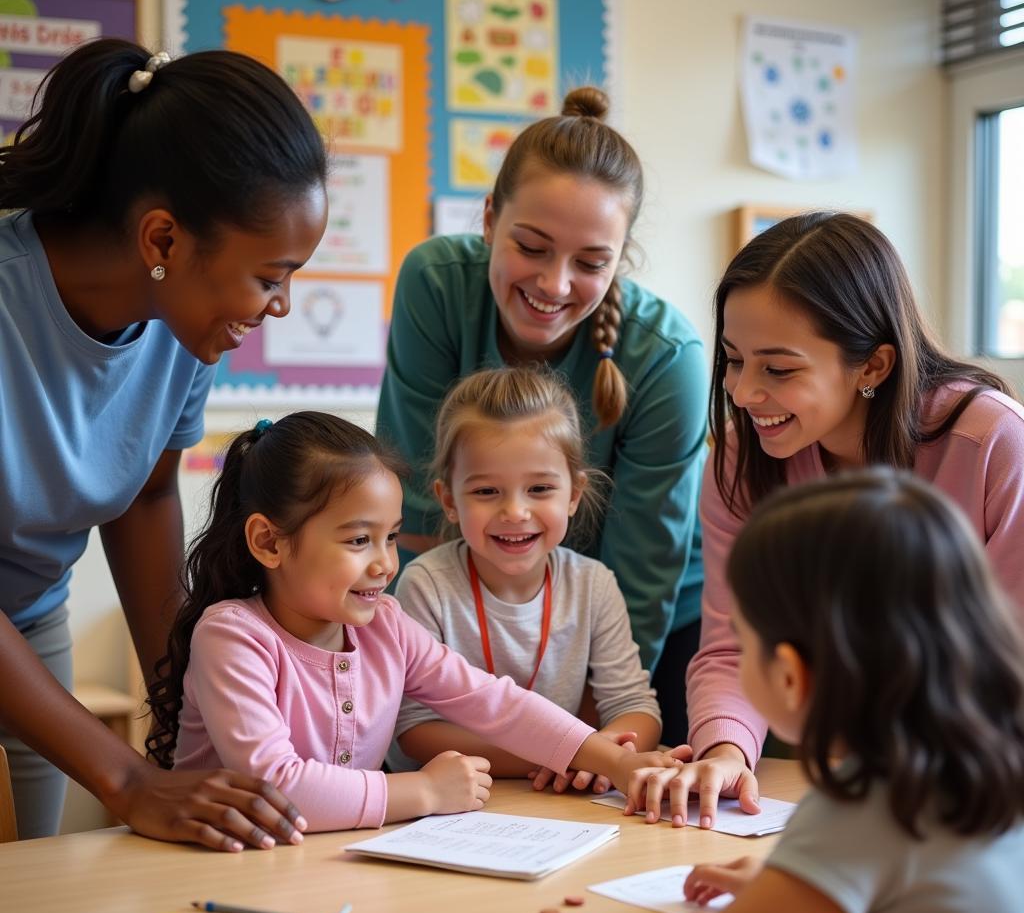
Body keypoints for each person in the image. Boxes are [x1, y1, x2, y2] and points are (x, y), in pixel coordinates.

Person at [0, 37, 330, 845]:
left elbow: (145, 494)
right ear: (161, 242)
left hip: (28, 632)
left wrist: (185, 711)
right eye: (270, 276)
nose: (279, 306)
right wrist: (127, 779)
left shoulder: (184, 326)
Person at [148, 412, 690, 832]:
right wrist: (423, 793)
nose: (385, 562)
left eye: (391, 536)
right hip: (216, 864)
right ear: (269, 541)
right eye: (359, 540)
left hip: (324, 854)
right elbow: (271, 783)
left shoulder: (383, 624)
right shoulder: (232, 637)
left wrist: (616, 764)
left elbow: (494, 701)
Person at [375, 87, 707, 747]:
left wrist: (582, 733)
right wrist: (435, 667)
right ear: (491, 217)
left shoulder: (669, 359)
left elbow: (643, 572)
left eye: (590, 263)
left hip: (627, 615)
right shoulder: (436, 284)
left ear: (621, 257)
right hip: (467, 593)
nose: (554, 285)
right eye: (531, 246)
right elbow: (417, 504)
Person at [675, 211, 1024, 826]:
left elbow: (1007, 661)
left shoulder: (992, 442)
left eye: (778, 369)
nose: (743, 393)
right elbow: (733, 643)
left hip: (975, 779)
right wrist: (726, 748)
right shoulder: (740, 458)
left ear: (873, 366)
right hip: (843, 768)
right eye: (733, 360)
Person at [659, 470, 1024, 913]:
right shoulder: (992, 757)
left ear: (789, 675)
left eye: (743, 638)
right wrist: (789, 890)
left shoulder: (862, 803)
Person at [388, 366, 661, 793]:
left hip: (553, 798)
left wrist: (601, 753)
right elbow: (415, 730)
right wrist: (573, 754)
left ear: (573, 494)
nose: (515, 512)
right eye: (486, 492)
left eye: (539, 489)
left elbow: (635, 707)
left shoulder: (593, 584)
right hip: (452, 801)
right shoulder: (426, 584)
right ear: (448, 500)